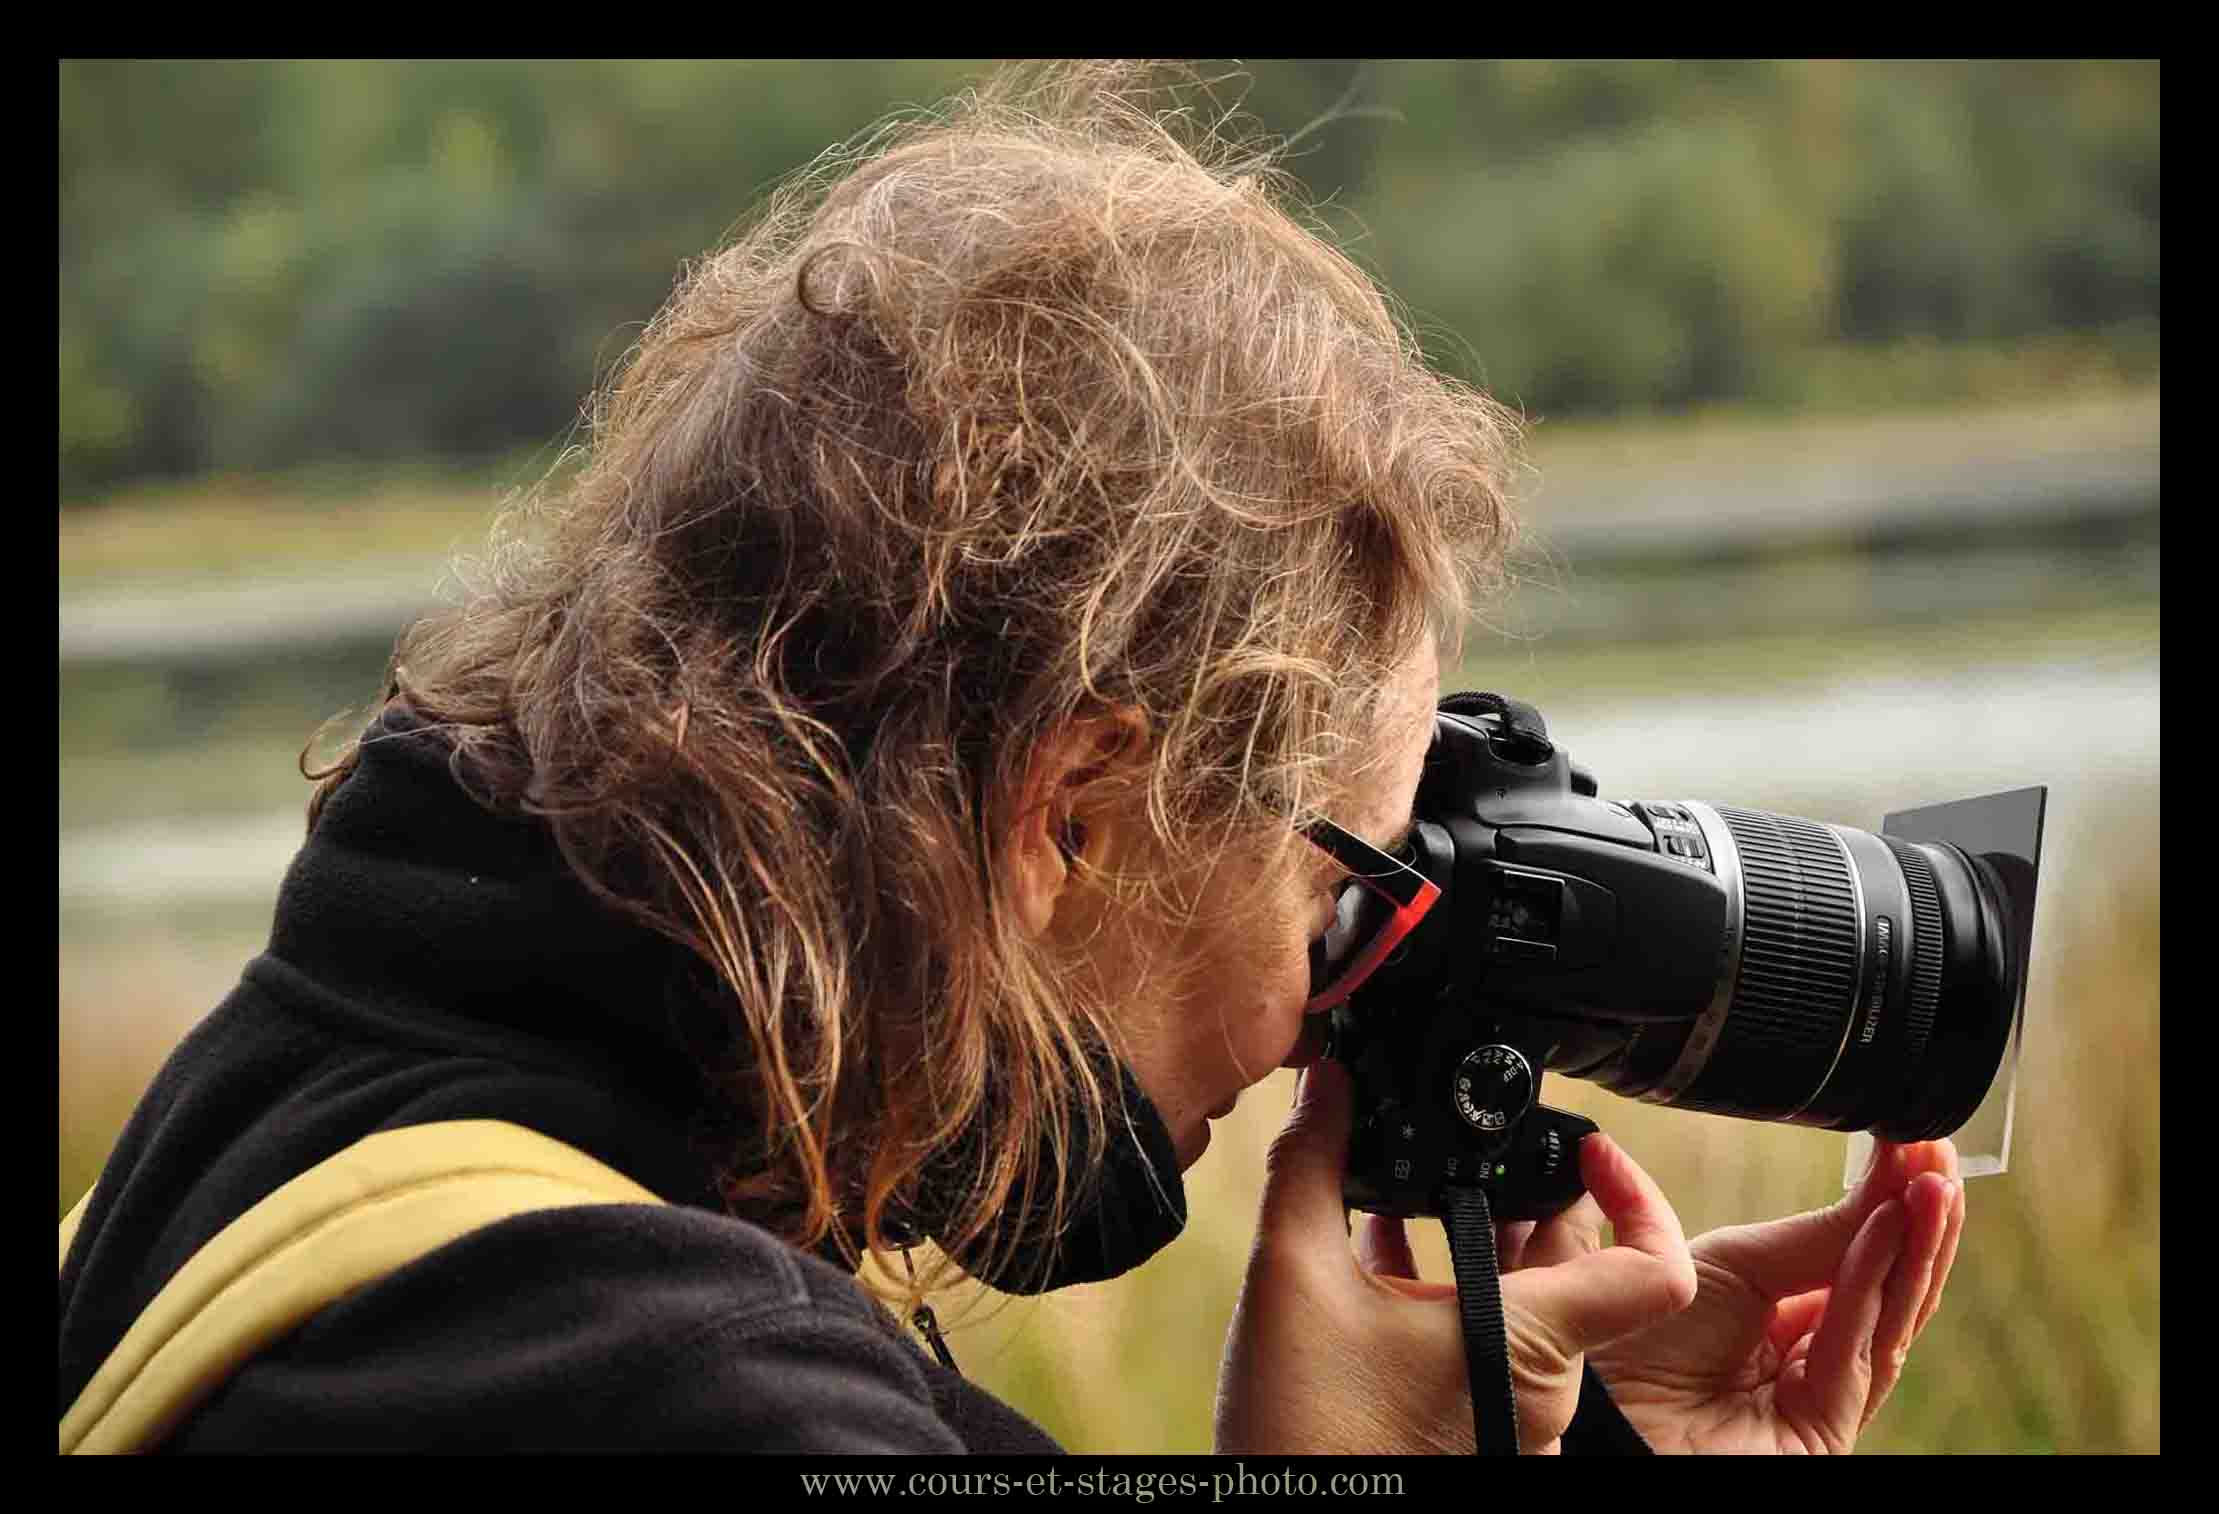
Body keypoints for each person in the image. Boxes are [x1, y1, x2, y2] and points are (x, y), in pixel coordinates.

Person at [57, 61, 1965, 1455]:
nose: (1332, 1009)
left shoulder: (333, 1091)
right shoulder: (679, 1385)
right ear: (1071, 811)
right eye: (1340, 883)